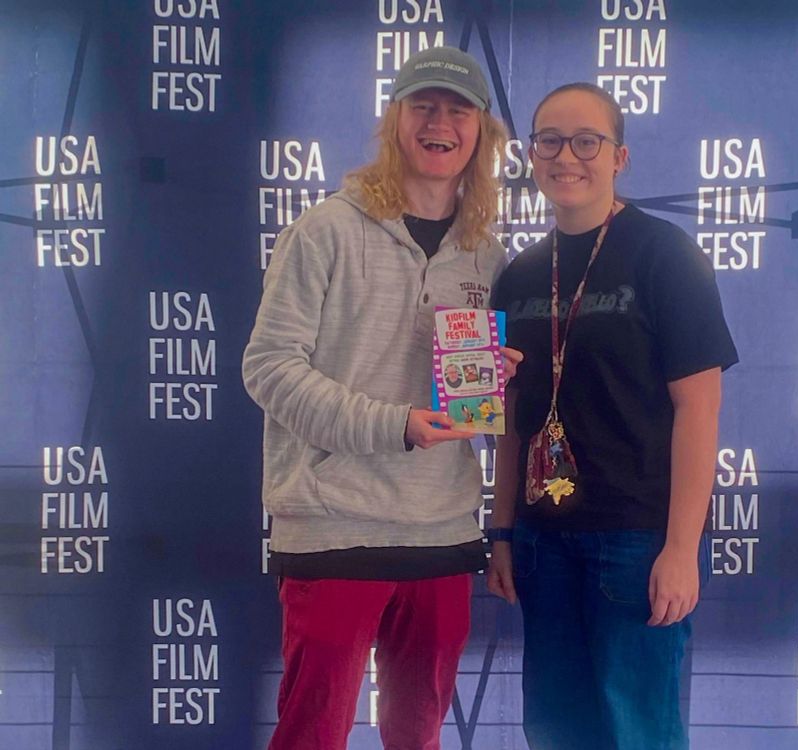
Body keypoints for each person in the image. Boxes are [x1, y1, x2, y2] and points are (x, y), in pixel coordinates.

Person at [243, 46, 520, 750]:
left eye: (458, 110)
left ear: (481, 133)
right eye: (423, 106)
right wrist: (391, 425)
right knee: (312, 736)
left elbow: (479, 407)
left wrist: (496, 381)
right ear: (395, 120)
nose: (440, 123)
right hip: (335, 526)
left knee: (418, 737)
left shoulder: (487, 252)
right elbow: (269, 367)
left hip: (442, 530)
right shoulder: (325, 230)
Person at [487, 82, 738, 750]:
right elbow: (511, 421)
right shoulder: (517, 276)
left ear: (619, 156)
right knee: (555, 728)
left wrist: (682, 549)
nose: (567, 156)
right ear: (532, 157)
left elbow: (700, 410)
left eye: (586, 141)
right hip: (543, 541)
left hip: (636, 541)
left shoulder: (665, 255)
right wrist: (503, 532)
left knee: (638, 732)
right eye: (549, 140)